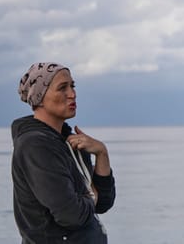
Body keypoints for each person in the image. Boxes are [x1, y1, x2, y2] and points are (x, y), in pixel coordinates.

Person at [11, 62, 116, 243]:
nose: (72, 94)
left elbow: (103, 202)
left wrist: (101, 153)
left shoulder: (71, 142)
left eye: (72, 86)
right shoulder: (36, 145)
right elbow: (71, 215)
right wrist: (91, 195)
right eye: (62, 88)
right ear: (40, 96)